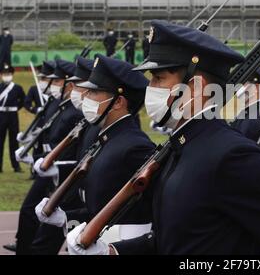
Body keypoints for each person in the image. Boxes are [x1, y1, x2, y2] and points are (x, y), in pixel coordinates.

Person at [66, 20, 260, 255]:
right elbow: (174, 238)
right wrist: (113, 252)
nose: (150, 88)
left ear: (196, 86)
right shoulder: (181, 148)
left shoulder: (230, 155)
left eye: (159, 78)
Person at [35, 54, 156, 254]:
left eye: (94, 93)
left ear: (118, 102)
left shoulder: (135, 146)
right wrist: (66, 218)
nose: (85, 97)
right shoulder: (107, 138)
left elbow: (141, 215)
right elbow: (98, 206)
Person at [14, 59, 83, 255]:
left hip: (63, 174)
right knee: (33, 215)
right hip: (51, 166)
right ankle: (24, 246)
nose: (51, 85)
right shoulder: (61, 106)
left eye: (56, 81)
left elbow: (72, 149)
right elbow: (49, 135)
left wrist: (51, 164)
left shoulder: (75, 112)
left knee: (53, 232)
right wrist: (35, 152)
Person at [230, 68, 260, 142]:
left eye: (243, 84)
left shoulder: (256, 117)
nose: (238, 89)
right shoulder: (251, 111)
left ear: (256, 87)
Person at [0, 65, 25, 173]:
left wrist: (15, 108)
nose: (7, 76)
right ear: (1, 75)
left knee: (14, 142)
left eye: (9, 74)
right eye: (5, 74)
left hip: (13, 116)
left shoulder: (17, 88)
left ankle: (16, 166)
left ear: (12, 75)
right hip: (1, 115)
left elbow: (23, 100)